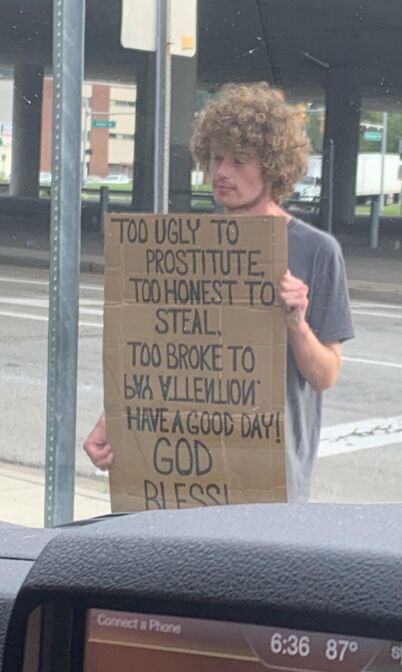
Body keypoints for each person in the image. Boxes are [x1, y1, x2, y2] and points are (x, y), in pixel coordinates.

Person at [84, 81, 354, 502]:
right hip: (185, 475)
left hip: (271, 480)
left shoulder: (317, 251)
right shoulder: (185, 244)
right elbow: (161, 355)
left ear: (273, 166)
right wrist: (114, 420)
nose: (221, 172)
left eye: (239, 160)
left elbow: (324, 376)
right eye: (215, 158)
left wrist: (297, 324)